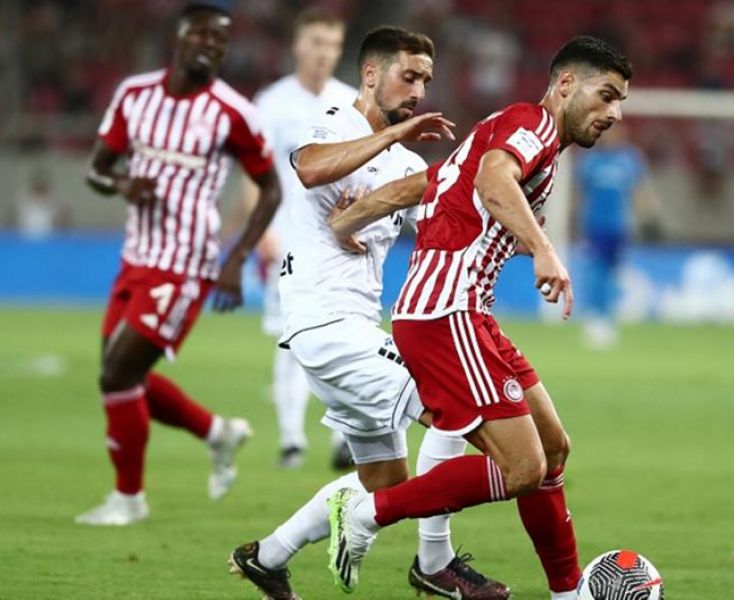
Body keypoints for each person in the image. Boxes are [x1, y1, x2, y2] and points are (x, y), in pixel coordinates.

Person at [326, 36, 632, 600]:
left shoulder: (510, 132)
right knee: (522, 469)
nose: (614, 113)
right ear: (566, 84)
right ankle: (366, 512)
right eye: (607, 95)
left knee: (552, 448)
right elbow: (492, 181)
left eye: (620, 102)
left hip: (465, 313)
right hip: (447, 312)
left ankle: (568, 591)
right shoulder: (533, 125)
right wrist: (543, 248)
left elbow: (429, 182)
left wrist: (349, 220)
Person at [228, 27, 509, 600]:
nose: (419, 91)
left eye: (426, 80)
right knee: (454, 405)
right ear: (372, 74)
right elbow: (310, 169)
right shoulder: (335, 120)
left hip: (356, 327)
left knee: (387, 483)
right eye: (409, 76)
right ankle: (436, 563)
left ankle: (268, 556)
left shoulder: (403, 161)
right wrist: (394, 134)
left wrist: (512, 228)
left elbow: (442, 221)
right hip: (326, 323)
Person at [76, 0, 280, 526]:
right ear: (180, 37)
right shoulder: (134, 95)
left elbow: (271, 189)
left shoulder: (233, 112)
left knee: (117, 374)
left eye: (221, 40)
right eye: (203, 36)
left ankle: (129, 499)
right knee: (123, 378)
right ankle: (217, 432)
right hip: (135, 257)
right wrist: (123, 184)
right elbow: (96, 170)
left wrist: (236, 258)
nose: (211, 46)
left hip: (186, 264)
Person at [240, 8, 357, 470]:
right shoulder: (271, 103)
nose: (324, 53)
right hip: (287, 238)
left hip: (336, 240)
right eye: (316, 42)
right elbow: (254, 173)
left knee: (343, 335)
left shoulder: (349, 101)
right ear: (298, 45)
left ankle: (343, 437)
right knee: (290, 337)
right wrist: (261, 229)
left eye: (332, 45)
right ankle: (292, 439)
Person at [574, 124, 661, 348]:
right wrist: (574, 221)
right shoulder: (591, 161)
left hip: (619, 227)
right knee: (595, 273)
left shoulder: (629, 159)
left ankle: (607, 317)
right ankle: (594, 317)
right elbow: (579, 194)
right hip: (595, 226)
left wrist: (648, 217)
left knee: (613, 274)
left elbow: (639, 191)